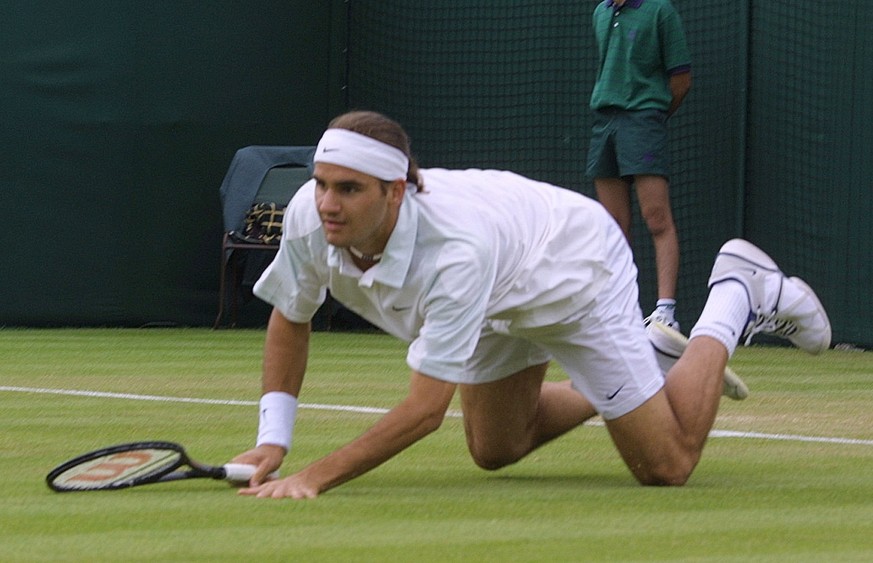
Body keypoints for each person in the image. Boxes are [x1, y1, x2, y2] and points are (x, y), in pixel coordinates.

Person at [232, 110, 830, 499]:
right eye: (322, 183)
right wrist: (273, 440)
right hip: (501, 286)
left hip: (573, 274)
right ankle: (648, 358)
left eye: (349, 189)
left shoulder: (455, 251)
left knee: (666, 465)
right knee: (496, 449)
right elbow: (292, 314)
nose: (328, 203)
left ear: (394, 192)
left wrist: (313, 478)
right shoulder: (310, 219)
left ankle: (737, 292)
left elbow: (422, 410)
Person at [586, 0, 692, 330]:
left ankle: (665, 314)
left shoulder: (660, 11)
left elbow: (681, 80)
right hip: (605, 124)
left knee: (656, 218)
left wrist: (651, 115)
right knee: (613, 228)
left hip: (644, 122)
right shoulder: (601, 13)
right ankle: (620, 309)